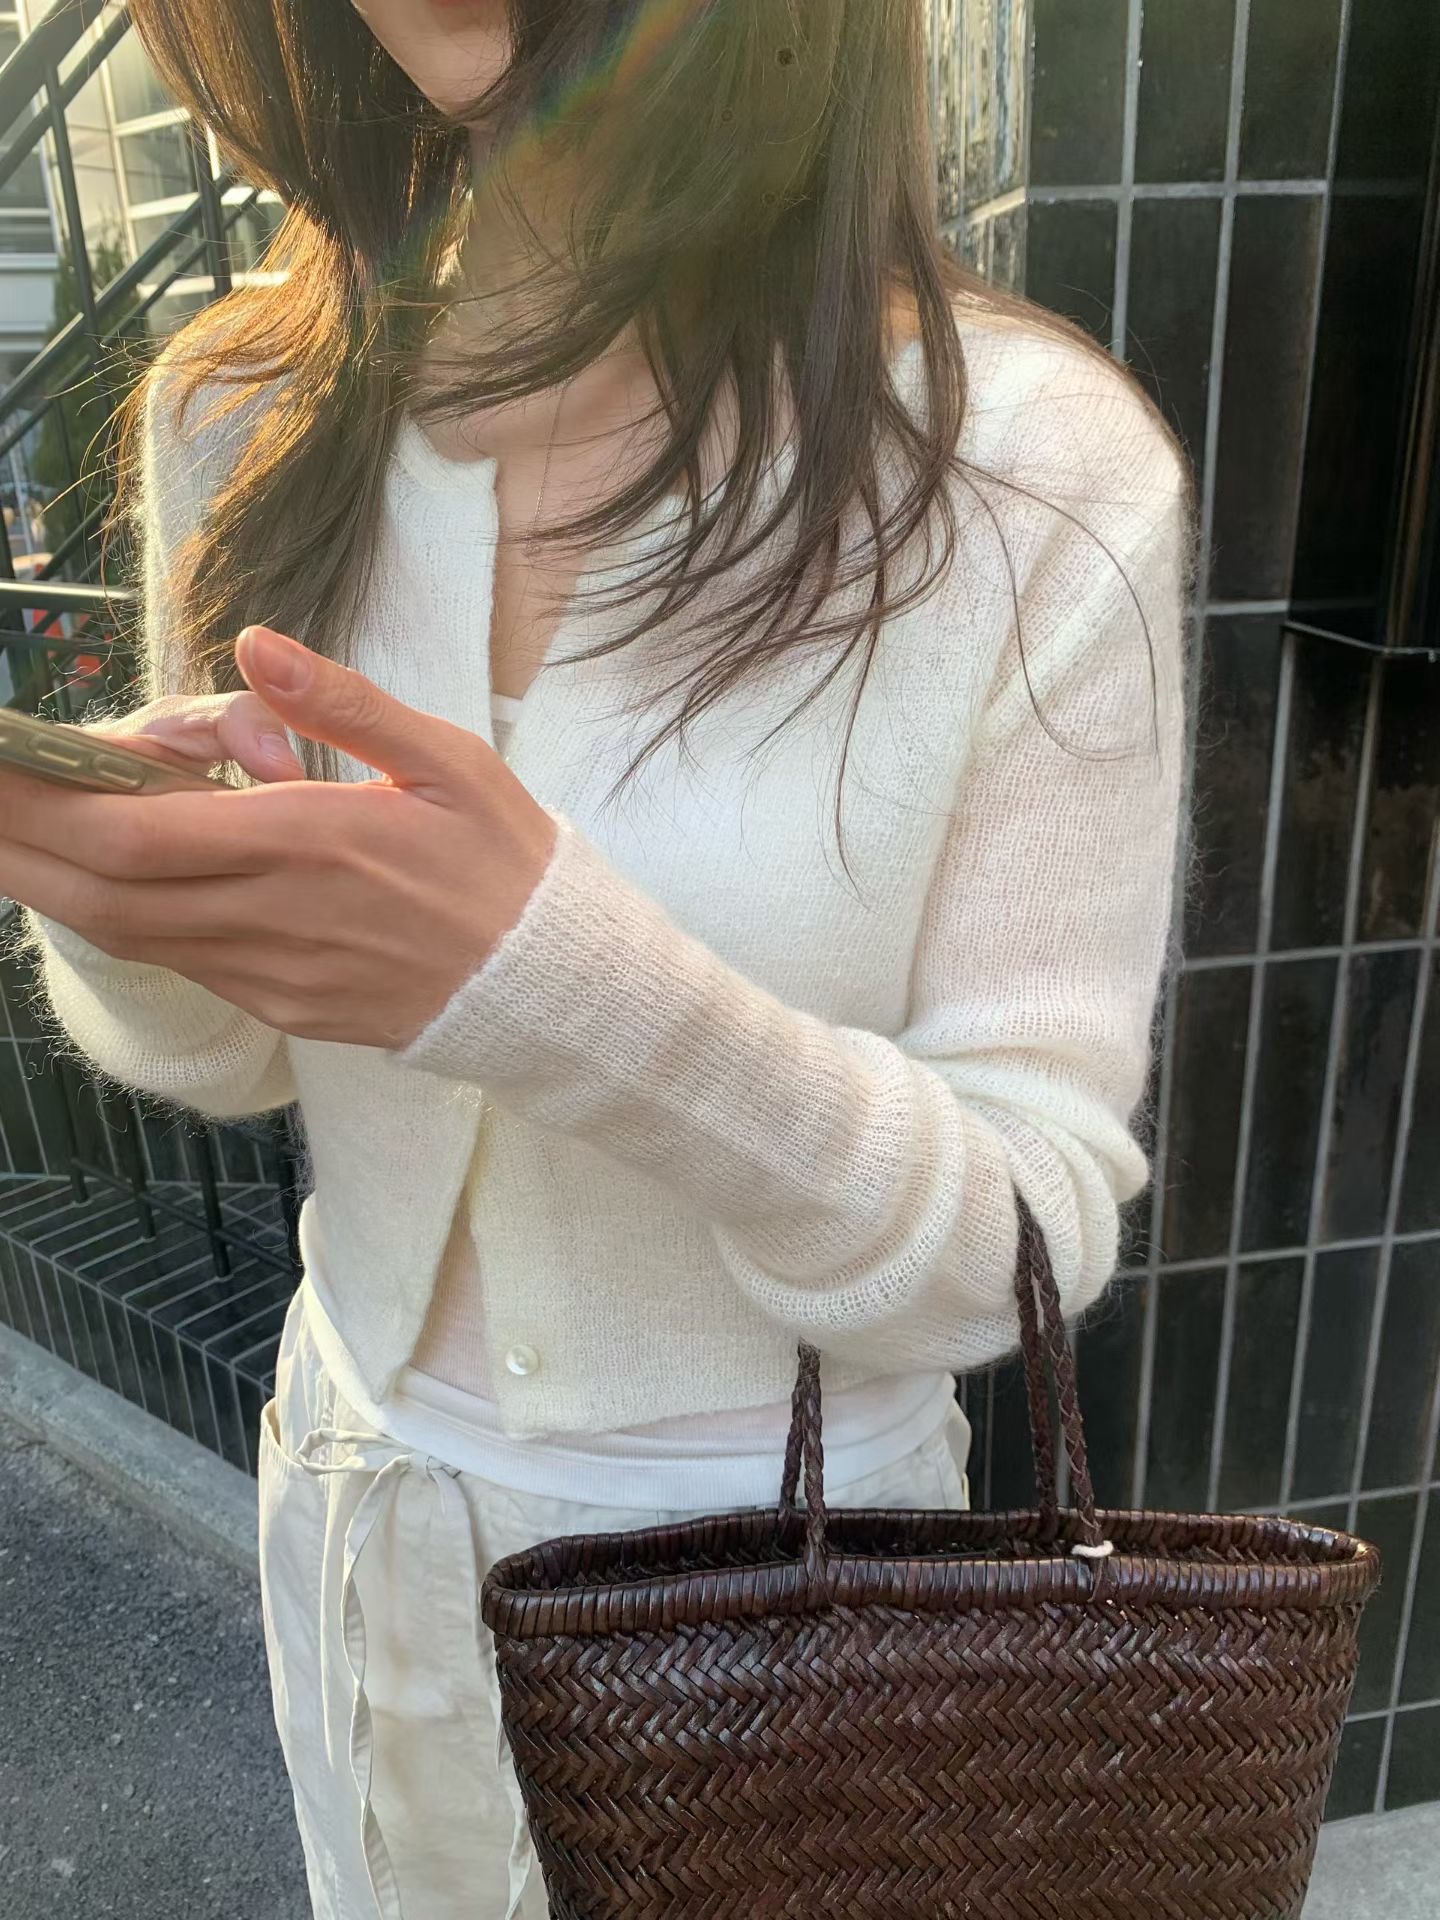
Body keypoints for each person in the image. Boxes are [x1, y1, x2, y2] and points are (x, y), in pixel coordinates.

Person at [0, 2, 1192, 1915]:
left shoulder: (1026, 472)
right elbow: (235, 1054)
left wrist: (561, 987)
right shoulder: (246, 411)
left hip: (800, 1596)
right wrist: (126, 897)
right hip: (363, 1516)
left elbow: (1027, 1237)